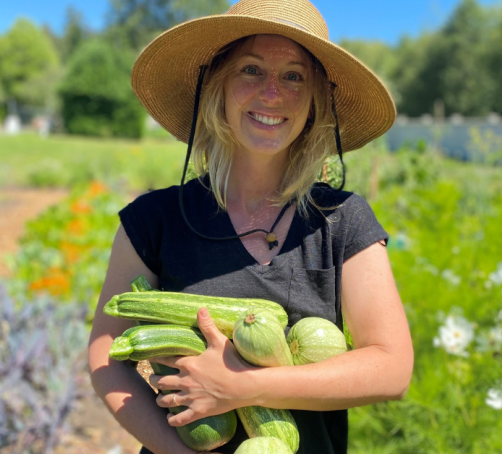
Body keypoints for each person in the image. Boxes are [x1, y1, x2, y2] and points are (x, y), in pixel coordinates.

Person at [87, 0, 414, 453]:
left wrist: (242, 388)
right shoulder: (152, 220)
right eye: (251, 70)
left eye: (294, 76)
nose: (272, 93)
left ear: (315, 100)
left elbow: (391, 368)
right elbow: (107, 357)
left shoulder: (343, 221)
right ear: (217, 86)